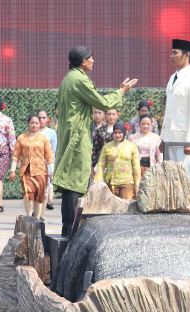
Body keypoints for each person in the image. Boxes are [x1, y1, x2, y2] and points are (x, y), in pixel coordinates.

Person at [53, 45, 137, 236]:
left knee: (69, 185)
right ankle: (72, 233)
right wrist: (122, 91)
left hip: (70, 136)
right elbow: (104, 103)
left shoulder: (68, 79)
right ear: (83, 61)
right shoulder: (80, 80)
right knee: (75, 183)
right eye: (91, 58)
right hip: (77, 138)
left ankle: (67, 230)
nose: (93, 61)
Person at [160, 38, 190, 193]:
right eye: (171, 52)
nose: (171, 56)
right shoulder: (172, 78)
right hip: (171, 137)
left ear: (186, 55)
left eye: (175, 53)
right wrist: (163, 137)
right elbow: (168, 112)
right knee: (173, 180)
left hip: (187, 140)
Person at [8, 114, 54, 220]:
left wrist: (51, 170)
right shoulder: (21, 138)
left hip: (41, 171)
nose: (34, 125)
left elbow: (49, 156)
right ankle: (29, 216)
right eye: (32, 123)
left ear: (40, 124)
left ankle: (37, 218)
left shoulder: (44, 139)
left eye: (36, 123)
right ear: (28, 124)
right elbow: (16, 156)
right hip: (26, 171)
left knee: (39, 195)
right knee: (28, 194)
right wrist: (12, 170)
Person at [95, 122, 140, 200]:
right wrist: (98, 181)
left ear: (124, 132)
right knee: (110, 209)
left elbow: (136, 167)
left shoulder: (131, 146)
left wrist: (137, 185)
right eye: (115, 133)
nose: (117, 135)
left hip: (127, 183)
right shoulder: (107, 146)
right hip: (110, 182)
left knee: (125, 208)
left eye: (120, 132)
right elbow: (101, 165)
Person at [37, 109, 58, 211]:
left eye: (43, 118)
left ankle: (46, 205)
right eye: (39, 118)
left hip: (48, 163)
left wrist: (52, 165)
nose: (41, 120)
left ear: (48, 119)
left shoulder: (51, 132)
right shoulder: (32, 132)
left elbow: (54, 149)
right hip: (35, 163)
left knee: (48, 185)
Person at [91, 108, 119, 175]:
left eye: (113, 114)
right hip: (103, 161)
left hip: (118, 162)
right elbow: (95, 149)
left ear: (117, 115)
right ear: (105, 116)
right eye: (109, 114)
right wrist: (92, 165)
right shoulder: (100, 130)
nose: (111, 116)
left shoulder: (121, 129)